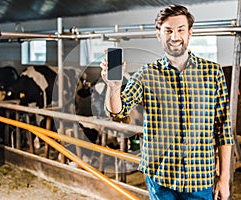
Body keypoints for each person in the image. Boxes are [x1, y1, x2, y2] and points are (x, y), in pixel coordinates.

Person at [100, 4, 233, 200]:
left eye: (180, 30)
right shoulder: (146, 74)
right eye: (168, 30)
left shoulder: (212, 72)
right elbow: (118, 112)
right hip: (160, 178)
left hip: (200, 178)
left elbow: (224, 128)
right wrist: (113, 87)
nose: (175, 37)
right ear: (159, 34)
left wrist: (223, 178)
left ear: (190, 33)